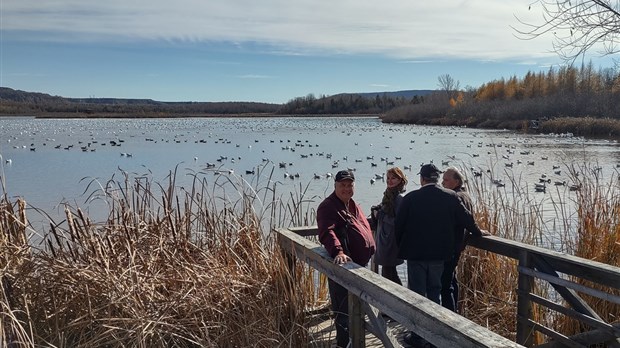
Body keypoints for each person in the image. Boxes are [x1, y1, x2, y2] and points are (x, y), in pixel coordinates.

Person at [395, 163, 486, 348]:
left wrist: (403, 247)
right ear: (437, 178)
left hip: (416, 255)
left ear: (422, 179)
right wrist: (478, 232)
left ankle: (418, 335)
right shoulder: (451, 197)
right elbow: (467, 219)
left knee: (417, 294)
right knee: (435, 292)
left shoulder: (411, 198)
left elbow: (399, 227)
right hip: (439, 255)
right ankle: (434, 335)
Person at [317, 170, 376, 348]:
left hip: (359, 265)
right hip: (343, 267)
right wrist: (338, 252)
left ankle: (355, 340)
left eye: (350, 185)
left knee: (358, 307)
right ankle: (344, 344)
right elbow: (327, 232)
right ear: (335, 186)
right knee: (343, 309)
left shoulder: (352, 204)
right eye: (342, 185)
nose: (346, 188)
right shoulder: (327, 206)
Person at [440, 166, 475, 313]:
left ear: (456, 181)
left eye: (446, 180)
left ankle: (449, 319)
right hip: (457, 245)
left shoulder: (456, 197)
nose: (442, 183)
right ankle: (456, 313)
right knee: (451, 280)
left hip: (450, 246)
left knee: (445, 285)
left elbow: (463, 220)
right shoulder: (465, 195)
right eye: (442, 180)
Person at [371, 167, 408, 285]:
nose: (389, 181)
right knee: (388, 272)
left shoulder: (399, 199)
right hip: (384, 238)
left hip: (391, 241)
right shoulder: (388, 196)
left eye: (393, 178)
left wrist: (380, 215)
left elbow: (399, 221)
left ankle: (398, 299)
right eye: (388, 178)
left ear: (400, 180)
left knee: (388, 272)